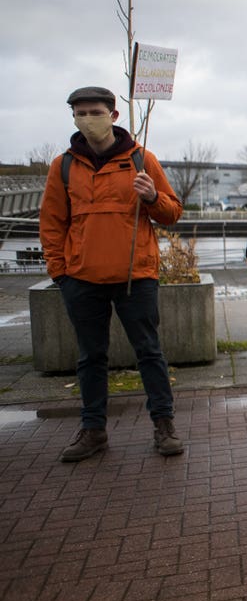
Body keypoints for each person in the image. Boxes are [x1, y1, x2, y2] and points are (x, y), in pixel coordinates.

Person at [39, 85, 186, 462]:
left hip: (136, 277)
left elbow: (172, 213)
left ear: (114, 116)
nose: (87, 119)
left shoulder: (141, 159)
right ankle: (93, 430)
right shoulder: (64, 165)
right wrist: (61, 274)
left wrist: (152, 196)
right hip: (82, 279)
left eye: (95, 112)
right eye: (80, 113)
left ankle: (164, 425)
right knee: (90, 357)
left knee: (149, 353)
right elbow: (52, 223)